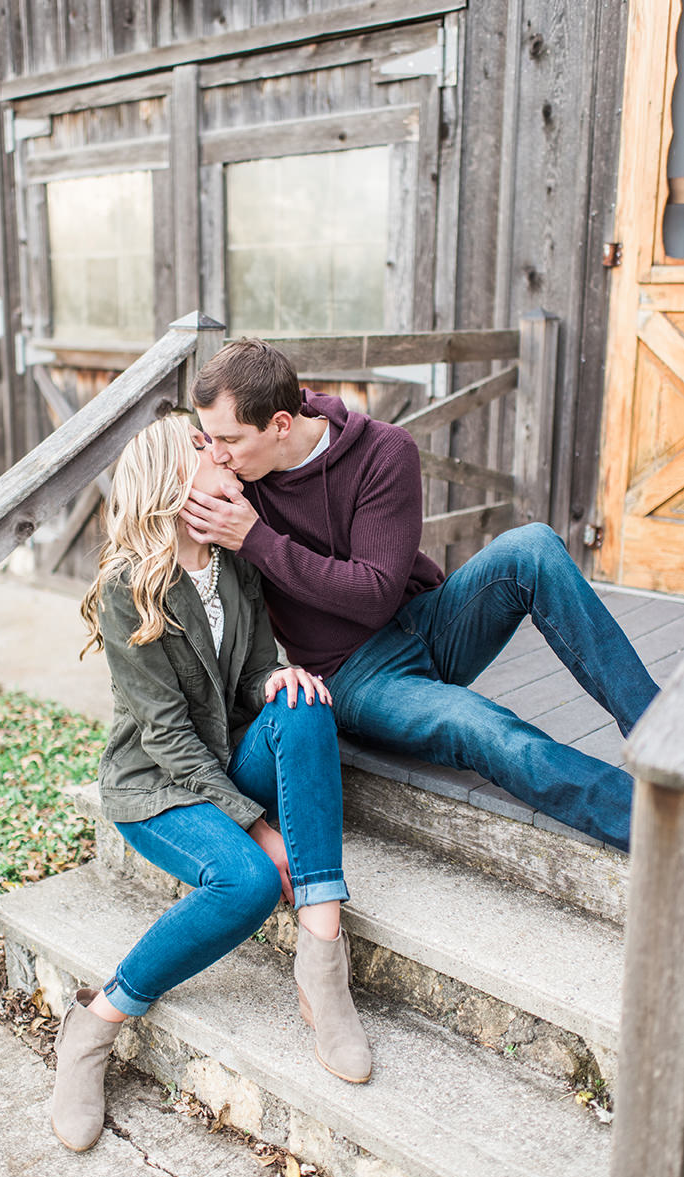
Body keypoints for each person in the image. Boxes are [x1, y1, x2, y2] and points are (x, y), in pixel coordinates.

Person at [181, 338, 660, 853]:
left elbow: (375, 595)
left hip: (427, 621)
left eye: (228, 439)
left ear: (280, 423)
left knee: (533, 547)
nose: (218, 454)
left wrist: (260, 542)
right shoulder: (234, 483)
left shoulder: (383, 451)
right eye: (208, 438)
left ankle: (662, 740)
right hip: (355, 676)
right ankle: (659, 829)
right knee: (479, 723)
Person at [52, 415, 370, 1155]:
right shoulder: (127, 587)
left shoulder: (234, 562)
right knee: (248, 881)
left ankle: (323, 962)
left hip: (225, 757)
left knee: (302, 700)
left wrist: (277, 676)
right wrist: (259, 827)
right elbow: (163, 736)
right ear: (170, 476)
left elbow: (257, 666)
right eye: (201, 447)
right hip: (155, 786)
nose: (220, 452)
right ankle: (97, 1022)